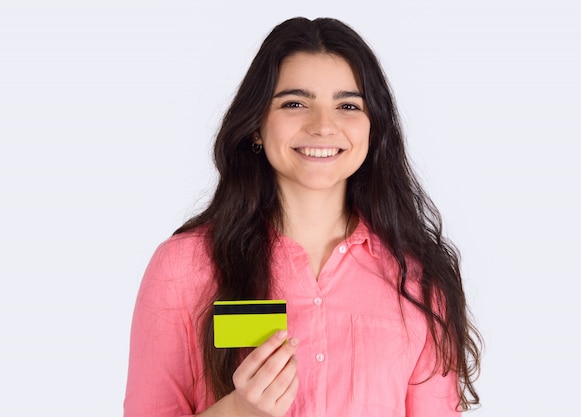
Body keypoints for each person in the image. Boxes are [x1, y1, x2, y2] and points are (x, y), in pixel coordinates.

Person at [124, 16, 481, 417]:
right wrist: (237, 411)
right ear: (257, 125)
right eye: (295, 103)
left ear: (373, 129)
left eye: (348, 105)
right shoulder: (184, 268)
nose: (323, 126)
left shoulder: (417, 279)